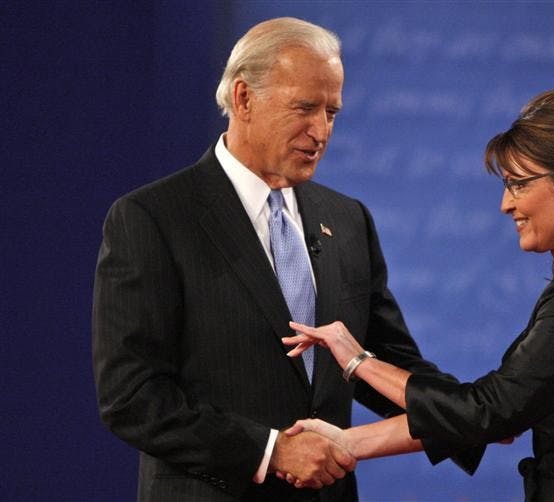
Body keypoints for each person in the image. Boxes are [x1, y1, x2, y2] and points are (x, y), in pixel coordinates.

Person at [91, 17, 475, 502]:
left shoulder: (347, 219)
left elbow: (387, 363)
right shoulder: (154, 218)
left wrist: (478, 414)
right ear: (244, 98)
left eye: (332, 112)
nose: (321, 131)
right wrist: (270, 451)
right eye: (304, 108)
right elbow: (131, 396)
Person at [282, 88, 554, 501]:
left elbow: (486, 412)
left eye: (518, 184)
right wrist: (349, 444)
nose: (505, 204)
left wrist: (356, 360)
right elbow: (503, 414)